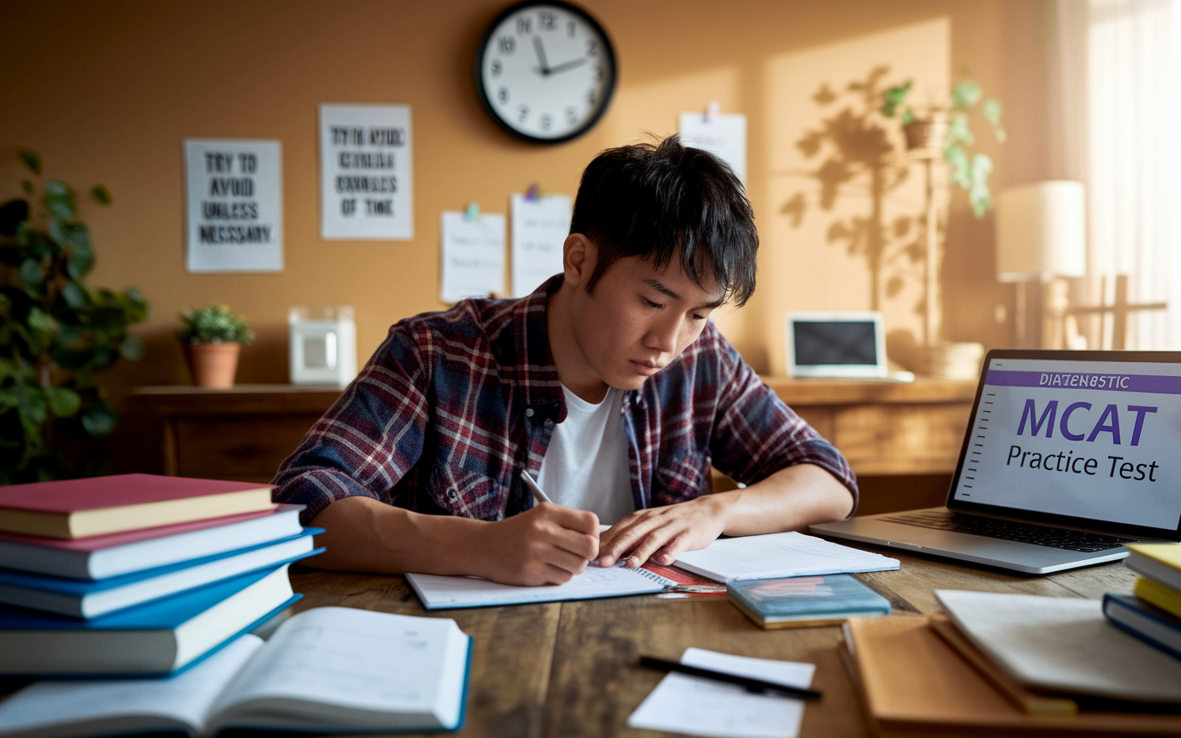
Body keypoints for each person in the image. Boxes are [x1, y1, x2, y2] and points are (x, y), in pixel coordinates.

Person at [273, 135, 858, 585]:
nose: (669, 340)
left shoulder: (702, 360)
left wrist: (715, 512)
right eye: (652, 300)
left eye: (699, 313)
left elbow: (829, 480)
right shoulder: (438, 352)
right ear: (578, 261)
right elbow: (302, 501)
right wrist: (478, 546)